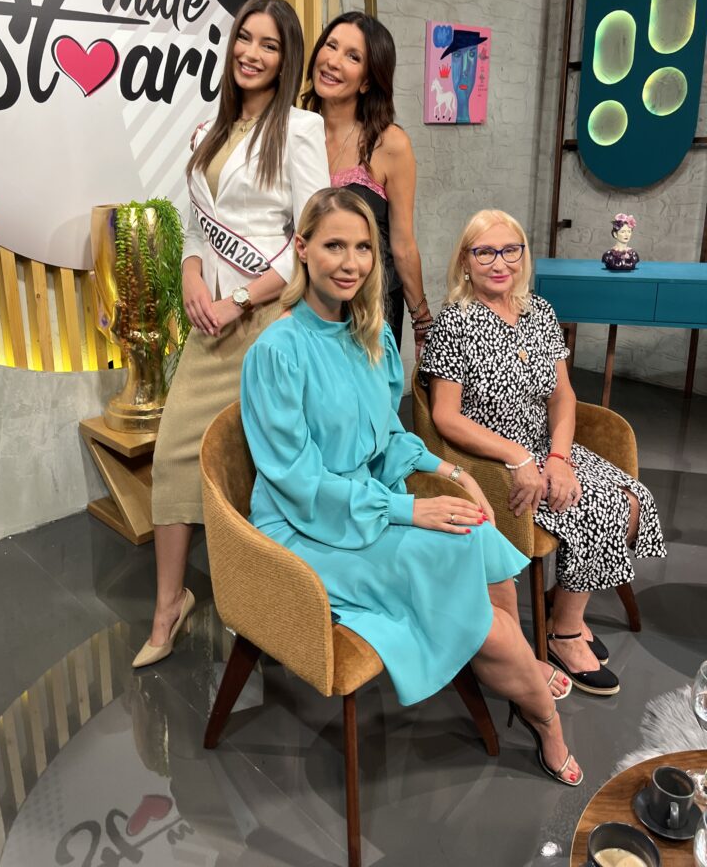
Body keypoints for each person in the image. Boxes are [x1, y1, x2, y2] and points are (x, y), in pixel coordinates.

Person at [240, 187, 583, 786]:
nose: (351, 263)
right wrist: (406, 510)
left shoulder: (371, 336)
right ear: (302, 249)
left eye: (363, 248)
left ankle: (513, 668)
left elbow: (388, 438)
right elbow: (299, 481)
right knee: (454, 568)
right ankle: (542, 714)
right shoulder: (276, 352)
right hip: (307, 524)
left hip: (367, 502)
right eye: (334, 246)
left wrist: (452, 474)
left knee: (478, 533)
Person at [133, 0, 328, 668]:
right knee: (173, 455)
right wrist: (192, 274)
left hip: (266, 326)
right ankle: (170, 605)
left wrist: (241, 297)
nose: (252, 52)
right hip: (209, 325)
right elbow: (196, 227)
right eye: (245, 37)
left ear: (286, 57)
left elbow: (311, 238)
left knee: (262, 470)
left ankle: (276, 606)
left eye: (269, 44)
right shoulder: (208, 133)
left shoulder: (299, 129)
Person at [420, 209, 666, 697]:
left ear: (523, 256)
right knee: (598, 505)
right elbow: (445, 418)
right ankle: (564, 634)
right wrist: (519, 457)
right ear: (464, 261)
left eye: (510, 250)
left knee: (633, 501)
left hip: (545, 448)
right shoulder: (454, 323)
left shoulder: (539, 311)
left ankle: (561, 605)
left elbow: (562, 397)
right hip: (491, 457)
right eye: (484, 252)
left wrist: (558, 458)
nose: (500, 263)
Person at [302, 11, 432, 355]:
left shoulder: (390, 143)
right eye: (331, 46)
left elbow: (403, 244)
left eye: (352, 56)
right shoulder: (293, 131)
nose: (333, 61)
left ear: (367, 81)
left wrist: (422, 320)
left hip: (371, 309)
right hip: (308, 305)